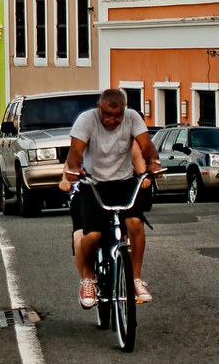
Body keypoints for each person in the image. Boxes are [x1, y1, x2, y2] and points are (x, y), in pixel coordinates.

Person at [64, 88, 160, 307]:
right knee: (93, 235)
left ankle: (136, 278)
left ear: (124, 110)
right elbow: (75, 153)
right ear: (100, 108)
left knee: (135, 223)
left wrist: (153, 164)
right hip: (94, 184)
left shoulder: (132, 117)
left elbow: (147, 147)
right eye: (108, 114)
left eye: (117, 115)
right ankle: (88, 279)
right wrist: (74, 169)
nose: (113, 120)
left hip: (124, 182)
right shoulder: (86, 120)